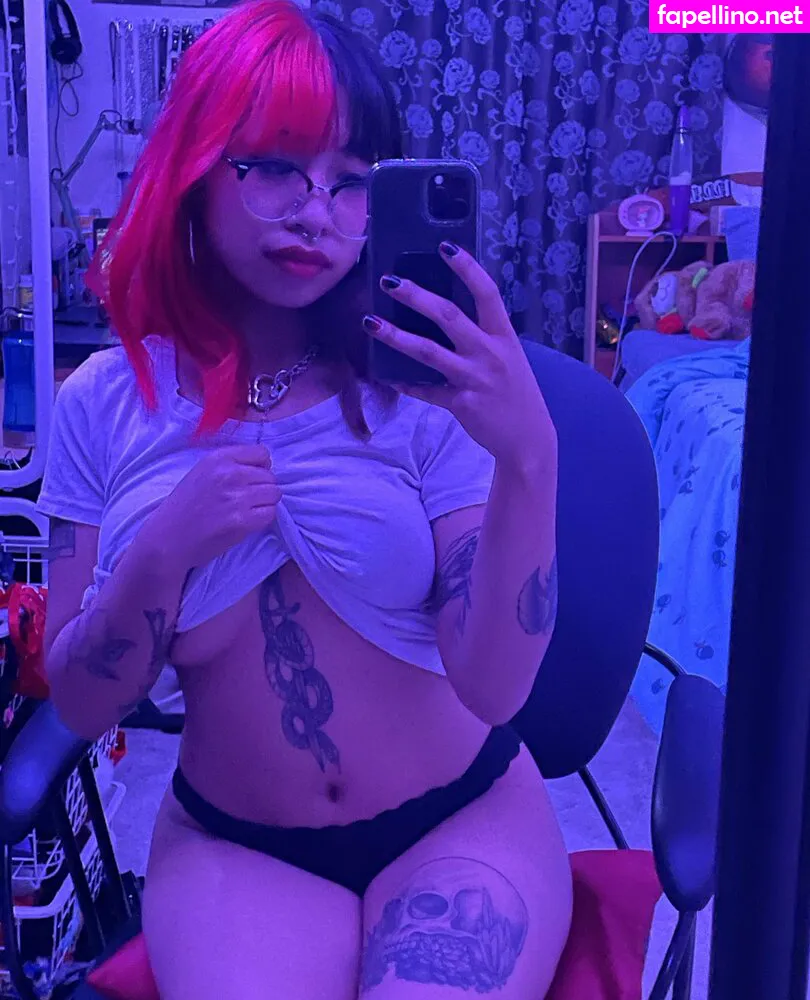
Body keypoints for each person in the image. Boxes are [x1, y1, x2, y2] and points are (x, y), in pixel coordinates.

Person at [37, 2, 572, 997]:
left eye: (352, 180)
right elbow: (74, 698)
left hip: (460, 820)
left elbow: (495, 687)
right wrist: (162, 552)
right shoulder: (105, 403)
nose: (315, 211)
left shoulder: (421, 390)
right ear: (196, 168)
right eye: (276, 167)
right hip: (237, 848)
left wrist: (530, 456)